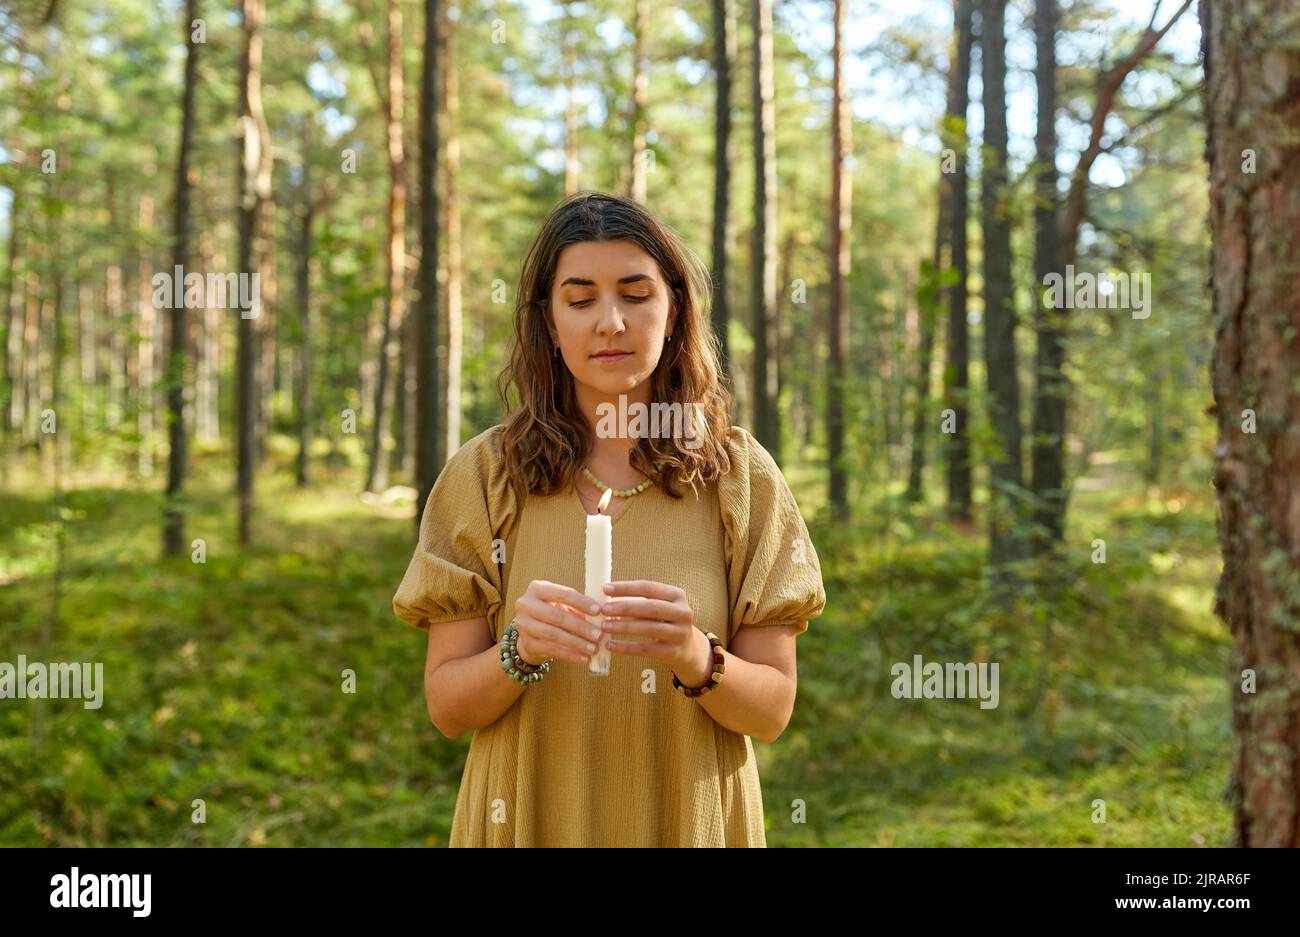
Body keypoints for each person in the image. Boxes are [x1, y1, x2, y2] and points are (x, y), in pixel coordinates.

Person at [393, 192, 826, 846]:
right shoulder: (486, 474)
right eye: (580, 297)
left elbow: (770, 711)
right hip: (530, 812)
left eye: (635, 293)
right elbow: (448, 707)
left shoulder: (739, 477)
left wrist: (694, 653)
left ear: (673, 309)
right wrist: (519, 647)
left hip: (686, 816)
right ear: (547, 321)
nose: (611, 321)